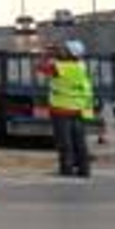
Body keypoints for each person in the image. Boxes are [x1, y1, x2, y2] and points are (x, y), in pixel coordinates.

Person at [39, 40, 91, 178]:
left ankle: (66, 169)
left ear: (70, 54)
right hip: (77, 110)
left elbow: (40, 68)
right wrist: (56, 54)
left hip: (61, 110)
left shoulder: (60, 67)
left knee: (65, 142)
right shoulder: (81, 66)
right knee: (80, 142)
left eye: (64, 50)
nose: (61, 51)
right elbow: (63, 61)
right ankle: (84, 170)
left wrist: (46, 54)